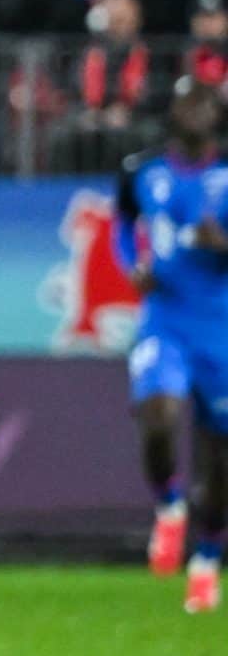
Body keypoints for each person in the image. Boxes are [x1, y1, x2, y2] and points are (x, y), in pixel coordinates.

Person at [109, 79, 228, 610]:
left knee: (220, 460)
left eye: (205, 102)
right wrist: (129, 265)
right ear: (173, 111)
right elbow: (121, 221)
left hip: (220, 328)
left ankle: (206, 558)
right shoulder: (143, 171)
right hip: (166, 320)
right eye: (186, 100)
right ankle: (169, 504)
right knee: (157, 416)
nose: (195, 111)